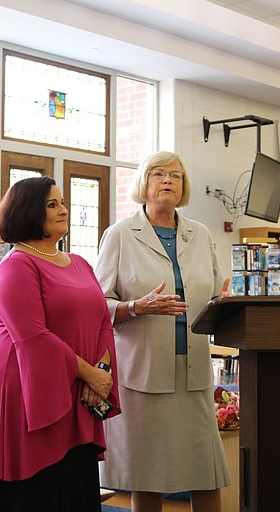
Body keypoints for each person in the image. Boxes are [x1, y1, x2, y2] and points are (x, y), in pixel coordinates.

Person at [94, 151, 231, 512]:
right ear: (144, 182)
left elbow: (214, 295)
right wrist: (137, 307)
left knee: (206, 470)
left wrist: (226, 303)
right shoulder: (120, 235)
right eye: (158, 174)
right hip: (144, 372)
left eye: (175, 175)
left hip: (194, 372)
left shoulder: (200, 236)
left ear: (183, 187)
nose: (168, 180)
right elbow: (95, 306)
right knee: (147, 472)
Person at [0, 176, 119, 512]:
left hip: (77, 385)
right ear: (28, 212)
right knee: (35, 493)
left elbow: (101, 322)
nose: (63, 210)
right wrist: (90, 376)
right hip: (22, 388)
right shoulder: (16, 265)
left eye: (63, 202)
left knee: (71, 487)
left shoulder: (80, 263)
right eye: (52, 205)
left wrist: (102, 370)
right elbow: (34, 337)